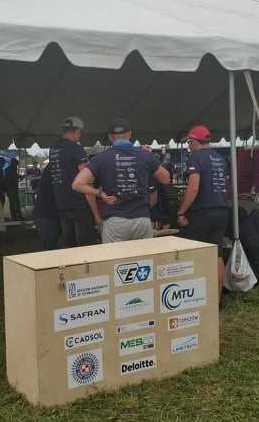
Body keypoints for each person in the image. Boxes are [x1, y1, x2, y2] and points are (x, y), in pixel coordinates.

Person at [73, 118, 169, 243]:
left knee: (114, 256)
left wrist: (100, 193)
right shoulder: (145, 155)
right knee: (143, 256)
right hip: (141, 219)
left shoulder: (101, 158)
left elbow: (77, 184)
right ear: (130, 134)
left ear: (110, 137)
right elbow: (166, 179)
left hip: (115, 221)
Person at [174, 125, 229, 296]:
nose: (188, 146)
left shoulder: (196, 158)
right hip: (221, 210)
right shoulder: (219, 158)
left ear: (194, 142)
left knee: (189, 253)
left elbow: (193, 188)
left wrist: (181, 211)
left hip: (202, 213)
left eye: (189, 142)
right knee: (217, 254)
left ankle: (192, 297)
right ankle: (216, 299)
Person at [49, 116, 101, 247]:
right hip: (80, 205)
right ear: (78, 131)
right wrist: (96, 214)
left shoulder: (53, 149)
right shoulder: (76, 149)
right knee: (85, 246)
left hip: (62, 204)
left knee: (68, 244)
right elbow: (86, 182)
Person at [32, 165, 60, 250]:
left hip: (49, 213)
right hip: (47, 214)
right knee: (49, 249)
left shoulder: (54, 167)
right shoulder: (55, 168)